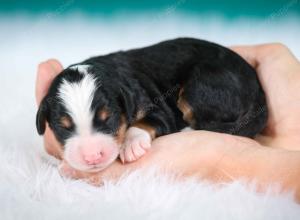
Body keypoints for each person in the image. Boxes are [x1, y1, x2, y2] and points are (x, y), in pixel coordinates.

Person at [36, 43, 300, 201]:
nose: (91, 153)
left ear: (125, 105)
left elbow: (160, 113)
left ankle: (213, 124)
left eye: (106, 123)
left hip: (218, 78)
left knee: (193, 96)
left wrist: (141, 129)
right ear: (45, 122)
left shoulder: (126, 92)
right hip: (223, 83)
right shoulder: (112, 90)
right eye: (66, 130)